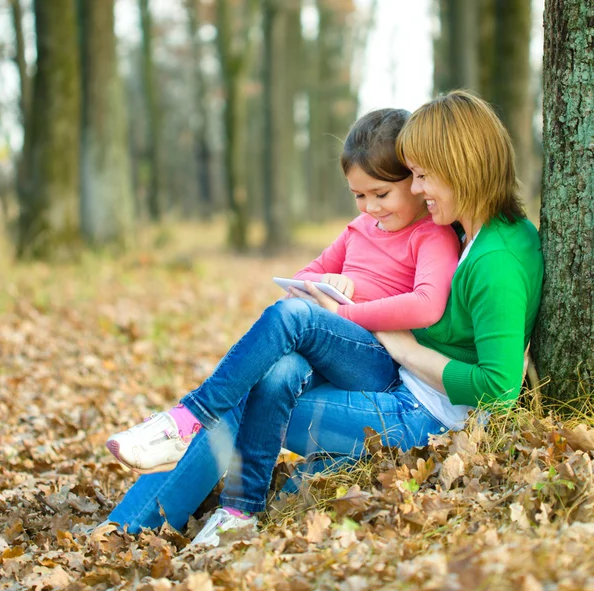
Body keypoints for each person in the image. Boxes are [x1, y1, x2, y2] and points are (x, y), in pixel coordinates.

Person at [106, 90, 543, 547]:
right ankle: (184, 507)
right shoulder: (469, 230)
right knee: (275, 372)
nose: (415, 189)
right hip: (405, 388)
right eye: (412, 176)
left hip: (422, 416)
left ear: (462, 169)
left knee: (251, 395)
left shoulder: (497, 260)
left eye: (422, 176)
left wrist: (402, 345)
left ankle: (143, 517)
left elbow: (499, 389)